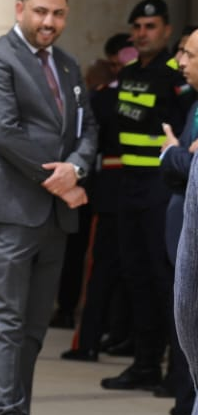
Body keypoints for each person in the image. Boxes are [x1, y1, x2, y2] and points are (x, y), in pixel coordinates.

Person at [0, 0, 95, 415]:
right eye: (41, 11)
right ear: (20, 9)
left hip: (53, 218)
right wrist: (59, 180)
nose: (49, 22)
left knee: (35, 326)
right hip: (10, 212)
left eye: (58, 13)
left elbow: (88, 127)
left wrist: (76, 167)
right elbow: (4, 133)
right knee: (7, 321)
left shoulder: (68, 65)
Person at [100, 0, 186, 394]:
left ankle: (177, 373)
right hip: (128, 183)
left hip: (160, 186)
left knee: (163, 278)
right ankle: (145, 364)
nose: (142, 33)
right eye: (137, 26)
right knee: (134, 275)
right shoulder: (130, 72)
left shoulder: (176, 73)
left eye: (150, 26)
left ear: (166, 30)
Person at [61, 33, 136, 361]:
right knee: (139, 272)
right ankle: (132, 343)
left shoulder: (104, 97)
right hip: (147, 192)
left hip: (113, 190)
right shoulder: (169, 91)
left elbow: (85, 133)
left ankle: (89, 341)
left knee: (102, 270)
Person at [145, 27, 198, 415]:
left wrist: (170, 153)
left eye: (189, 54)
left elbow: (190, 163)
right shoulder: (193, 103)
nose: (181, 62)